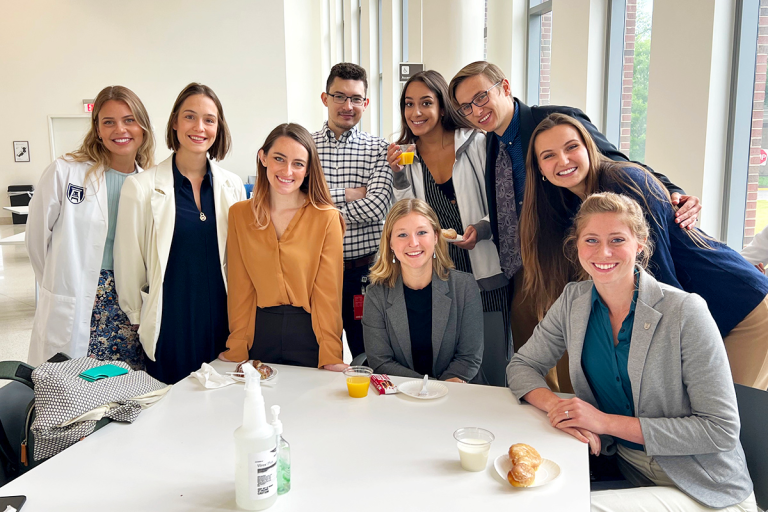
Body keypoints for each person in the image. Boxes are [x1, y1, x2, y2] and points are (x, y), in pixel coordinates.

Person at [448, 61, 702, 391]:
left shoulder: (552, 122)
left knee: (577, 353)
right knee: (531, 356)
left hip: (568, 259)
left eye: (481, 97)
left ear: (505, 88)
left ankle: (584, 426)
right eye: (466, 106)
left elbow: (617, 162)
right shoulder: (493, 141)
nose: (476, 110)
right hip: (523, 265)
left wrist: (672, 191)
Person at [507, 193, 756, 512]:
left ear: (640, 244)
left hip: (705, 489)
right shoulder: (574, 301)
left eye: (617, 239)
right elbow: (522, 366)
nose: (603, 252)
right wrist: (563, 409)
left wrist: (603, 422)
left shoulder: (685, 312)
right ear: (577, 245)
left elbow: (719, 430)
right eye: (592, 240)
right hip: (630, 475)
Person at [521, 113, 768, 389]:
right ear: (539, 168)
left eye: (571, 147)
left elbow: (660, 281)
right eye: (549, 155)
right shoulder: (567, 203)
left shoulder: (622, 181)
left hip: (740, 307)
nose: (563, 161)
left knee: (727, 419)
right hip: (705, 308)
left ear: (589, 147)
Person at [114, 83, 246, 383]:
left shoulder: (232, 185)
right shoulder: (141, 187)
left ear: (218, 127)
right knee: (173, 413)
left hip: (223, 320)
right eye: (190, 117)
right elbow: (128, 261)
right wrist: (136, 316)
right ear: (175, 122)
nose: (199, 127)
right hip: (170, 320)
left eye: (209, 120)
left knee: (224, 408)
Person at [385, 70, 509, 386]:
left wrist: (480, 230)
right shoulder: (407, 153)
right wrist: (398, 174)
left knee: (493, 362)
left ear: (443, 106)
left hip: (484, 270)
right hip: (441, 276)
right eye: (408, 104)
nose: (416, 112)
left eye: (426, 103)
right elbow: (410, 212)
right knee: (451, 366)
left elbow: (500, 203)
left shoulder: (477, 143)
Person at [26, 85, 155, 367]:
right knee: (75, 391)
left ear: (143, 127)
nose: (119, 129)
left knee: (125, 390)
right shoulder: (66, 171)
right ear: (97, 129)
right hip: (78, 298)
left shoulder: (152, 184)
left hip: (128, 303)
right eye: (108, 122)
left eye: (129, 120)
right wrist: (56, 287)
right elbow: (36, 240)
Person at [220, 123, 347, 371]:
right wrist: (237, 345)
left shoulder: (327, 218)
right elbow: (240, 288)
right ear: (263, 157)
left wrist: (331, 355)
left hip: (309, 333)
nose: (287, 171)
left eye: (298, 163)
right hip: (258, 332)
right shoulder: (239, 214)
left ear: (308, 169)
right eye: (279, 158)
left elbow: (327, 294)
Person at [313, 63, 393, 360]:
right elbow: (300, 204)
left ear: (365, 103)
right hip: (316, 271)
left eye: (356, 98)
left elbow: (376, 207)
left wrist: (321, 203)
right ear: (325, 98)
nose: (348, 106)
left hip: (366, 273)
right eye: (339, 96)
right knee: (320, 354)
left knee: (369, 353)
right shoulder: (305, 147)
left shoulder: (378, 148)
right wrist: (348, 193)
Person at [362, 198, 483, 382]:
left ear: (435, 237)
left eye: (422, 232)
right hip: (401, 397)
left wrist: (440, 391)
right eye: (402, 235)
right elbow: (380, 361)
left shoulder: (464, 287)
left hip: (456, 394)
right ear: (390, 243)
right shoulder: (376, 294)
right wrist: (425, 389)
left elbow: (468, 358)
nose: (414, 243)